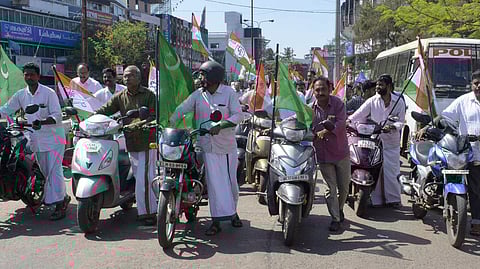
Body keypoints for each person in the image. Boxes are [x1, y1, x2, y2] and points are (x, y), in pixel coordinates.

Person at [170, 60, 244, 236]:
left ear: (213, 76)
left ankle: (233, 213)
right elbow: (182, 109)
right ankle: (216, 221)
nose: (200, 78)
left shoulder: (229, 93)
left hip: (225, 147)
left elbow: (238, 115)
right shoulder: (198, 95)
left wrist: (222, 125)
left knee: (230, 184)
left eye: (203, 75)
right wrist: (169, 123)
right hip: (205, 146)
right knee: (213, 184)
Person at [0, 62, 70, 220]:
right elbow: (6, 109)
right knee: (45, 172)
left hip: (54, 138)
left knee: (54, 172)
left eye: (32, 74)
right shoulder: (21, 95)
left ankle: (60, 204)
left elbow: (57, 116)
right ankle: (63, 197)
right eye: (26, 74)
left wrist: (43, 122)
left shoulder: (49, 93)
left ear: (38, 76)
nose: (29, 77)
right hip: (35, 139)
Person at [95, 65, 157, 225]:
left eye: (131, 75)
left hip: (147, 142)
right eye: (125, 76)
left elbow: (155, 115)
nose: (127, 78)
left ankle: (149, 212)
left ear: (139, 77)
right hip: (131, 141)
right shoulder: (120, 96)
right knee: (139, 177)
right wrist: (92, 118)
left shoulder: (149, 95)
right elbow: (105, 109)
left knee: (145, 178)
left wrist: (141, 122)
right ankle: (147, 206)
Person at [348, 74, 406, 208]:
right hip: (375, 141)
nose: (378, 87)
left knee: (391, 172)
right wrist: (348, 121)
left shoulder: (399, 102)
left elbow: (401, 122)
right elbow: (359, 114)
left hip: (391, 143)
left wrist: (392, 126)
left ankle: (393, 200)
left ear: (389, 87)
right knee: (375, 170)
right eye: (377, 85)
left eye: (381, 85)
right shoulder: (372, 101)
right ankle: (376, 201)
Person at [440, 69, 480, 236]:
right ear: (471, 85)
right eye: (476, 83)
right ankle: (476, 222)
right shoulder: (463, 101)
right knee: (476, 189)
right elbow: (446, 117)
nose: (479, 87)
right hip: (470, 153)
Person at [311, 77, 350, 232]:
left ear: (329, 89)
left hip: (341, 152)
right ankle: (335, 218)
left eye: (323, 89)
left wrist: (326, 130)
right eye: (317, 90)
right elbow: (303, 123)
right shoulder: (310, 109)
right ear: (313, 91)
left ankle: (338, 209)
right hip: (323, 155)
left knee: (344, 188)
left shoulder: (338, 104)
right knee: (330, 188)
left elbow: (341, 123)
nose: (320, 92)